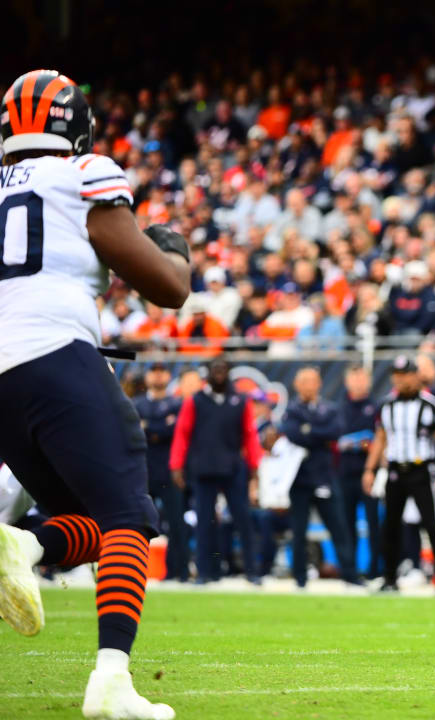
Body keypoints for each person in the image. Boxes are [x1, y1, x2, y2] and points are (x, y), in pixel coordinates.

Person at [0, 69, 190, 719]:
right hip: (54, 355)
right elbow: (163, 287)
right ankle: (111, 680)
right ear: (74, 129)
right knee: (130, 515)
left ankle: (23, 544)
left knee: (91, 520)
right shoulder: (83, 171)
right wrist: (175, 259)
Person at [363, 356, 435, 593]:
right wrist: (369, 469)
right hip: (395, 469)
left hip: (422, 469)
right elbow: (380, 438)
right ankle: (390, 578)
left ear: (416, 376)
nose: (400, 380)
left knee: (433, 524)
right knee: (390, 525)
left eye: (405, 375)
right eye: (397, 375)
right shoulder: (387, 405)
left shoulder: (431, 404)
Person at [170, 358, 262, 585]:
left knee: (243, 520)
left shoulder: (240, 400)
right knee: (204, 523)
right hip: (204, 468)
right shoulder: (196, 401)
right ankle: (205, 572)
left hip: (233, 468)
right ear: (208, 373)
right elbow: (183, 433)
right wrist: (176, 465)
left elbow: (250, 434)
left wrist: (254, 465)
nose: (219, 373)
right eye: (215, 369)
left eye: (223, 369)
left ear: (229, 372)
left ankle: (252, 572)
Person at [280, 367, 362, 588]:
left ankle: (351, 575)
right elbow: (293, 433)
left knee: (339, 528)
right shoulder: (292, 409)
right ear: (297, 385)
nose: (308, 385)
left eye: (312, 381)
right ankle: (300, 578)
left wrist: (309, 431)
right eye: (304, 381)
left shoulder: (330, 409)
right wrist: (317, 434)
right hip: (299, 480)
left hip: (325, 476)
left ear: (319, 384)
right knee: (298, 530)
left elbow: (335, 431)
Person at [132, 364, 189, 582]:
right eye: (153, 371)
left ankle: (179, 572)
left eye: (162, 371)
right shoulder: (137, 403)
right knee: (139, 525)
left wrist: (149, 427)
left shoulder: (177, 403)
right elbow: (135, 431)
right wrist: (160, 427)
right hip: (143, 473)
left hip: (170, 473)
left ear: (168, 375)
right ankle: (135, 571)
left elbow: (174, 430)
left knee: (176, 524)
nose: (158, 375)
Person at [337, 365, 381, 579]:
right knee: (346, 524)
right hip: (344, 474)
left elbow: (379, 440)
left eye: (362, 378)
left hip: (369, 474)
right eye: (354, 378)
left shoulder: (376, 407)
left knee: (374, 523)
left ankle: (375, 569)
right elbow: (336, 439)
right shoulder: (340, 408)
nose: (358, 382)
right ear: (347, 381)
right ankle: (349, 570)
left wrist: (365, 445)